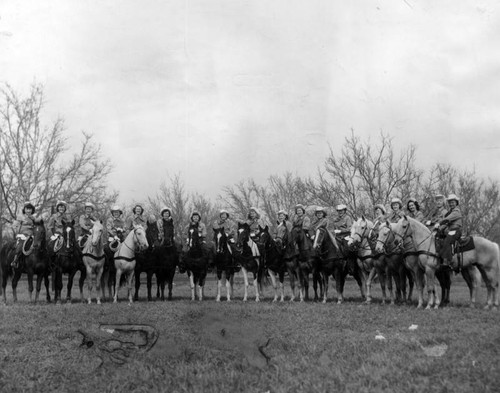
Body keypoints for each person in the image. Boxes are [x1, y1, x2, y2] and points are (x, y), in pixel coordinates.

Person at [437, 194, 463, 268]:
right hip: (450, 230)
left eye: (453, 202)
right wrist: (439, 228)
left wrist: (439, 223)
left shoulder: (456, 211)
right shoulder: (450, 212)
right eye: (450, 202)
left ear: (456, 203)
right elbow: (446, 224)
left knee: (447, 241)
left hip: (456, 230)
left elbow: (447, 219)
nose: (451, 204)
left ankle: (448, 261)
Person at [11, 202, 39, 268]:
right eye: (27, 209)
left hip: (32, 236)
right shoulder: (20, 217)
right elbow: (15, 226)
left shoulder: (34, 218)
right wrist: (19, 233)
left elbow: (37, 227)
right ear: (24, 209)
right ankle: (15, 261)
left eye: (30, 209)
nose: (28, 211)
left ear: (32, 210)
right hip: (23, 236)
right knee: (20, 245)